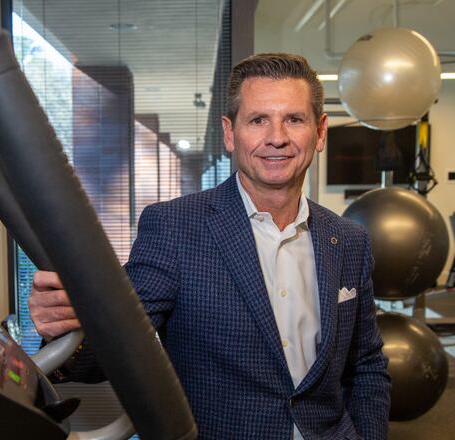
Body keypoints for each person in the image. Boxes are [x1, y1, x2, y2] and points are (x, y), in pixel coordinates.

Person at [29, 53, 390, 439]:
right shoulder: (175, 228)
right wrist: (63, 329)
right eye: (258, 120)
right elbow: (116, 351)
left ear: (319, 133)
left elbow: (365, 363)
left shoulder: (349, 241)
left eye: (294, 119)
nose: (277, 137)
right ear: (230, 133)